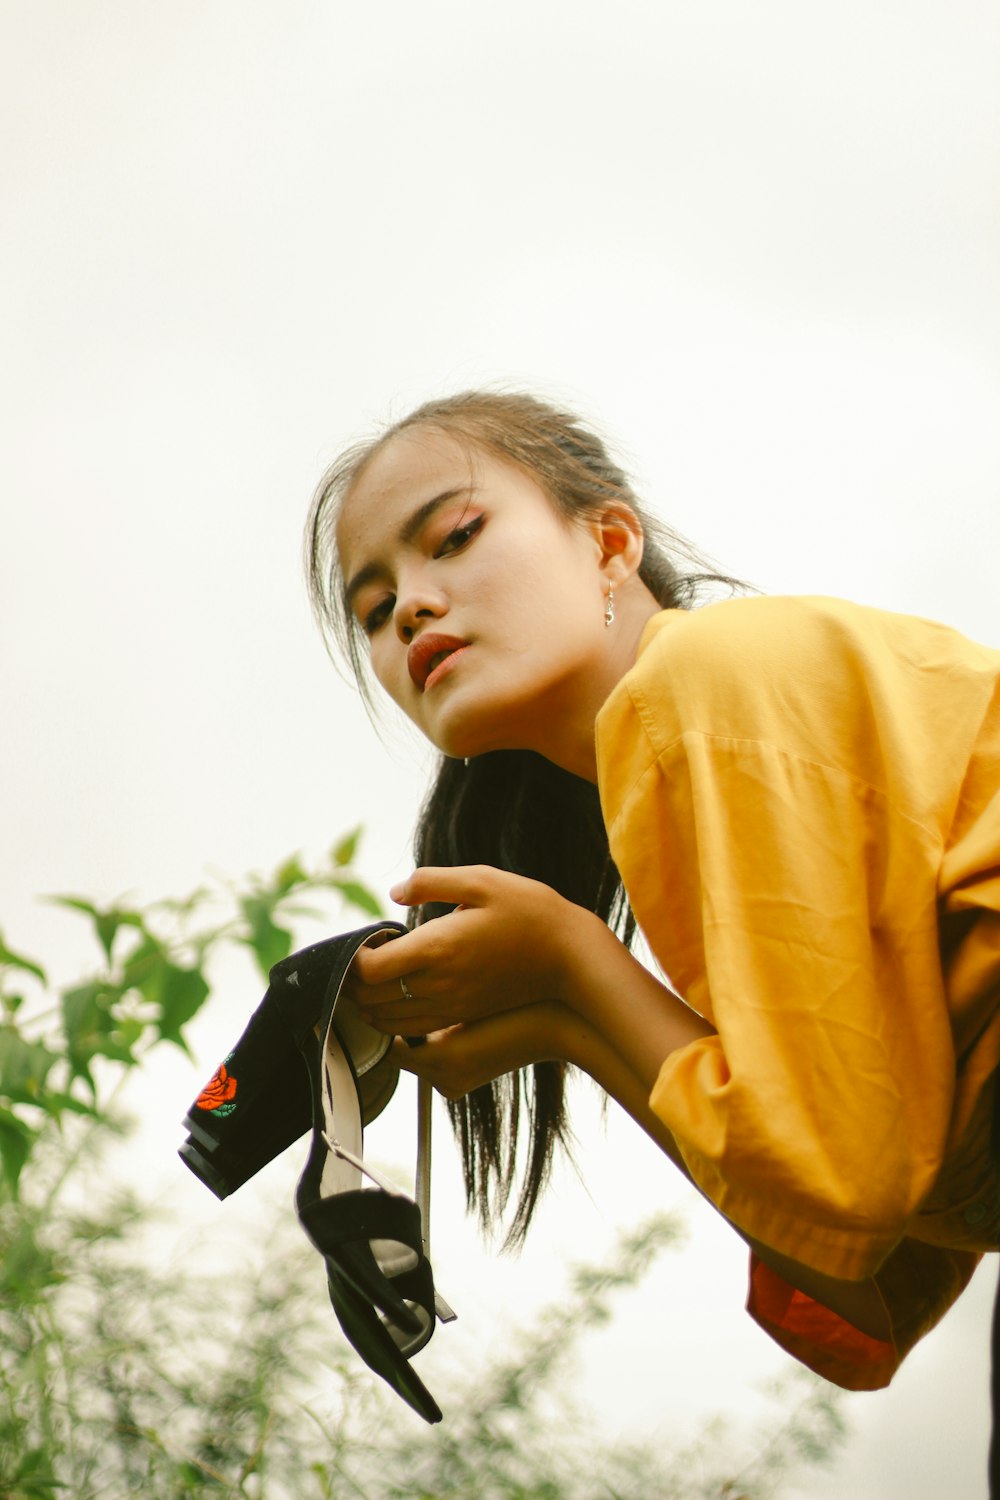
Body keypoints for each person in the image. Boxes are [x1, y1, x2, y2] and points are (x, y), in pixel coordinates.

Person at [305, 390, 1000, 1481]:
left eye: (454, 537)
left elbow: (844, 1200)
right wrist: (571, 1016)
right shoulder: (687, 779)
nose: (409, 609)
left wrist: (578, 963)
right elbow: (867, 1289)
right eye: (373, 602)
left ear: (609, 545)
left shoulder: (701, 684)